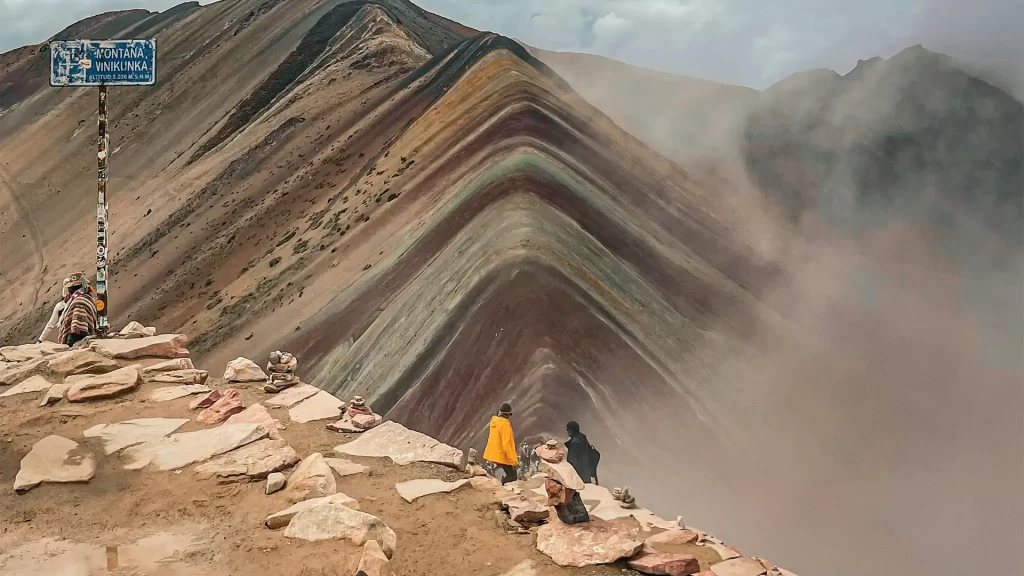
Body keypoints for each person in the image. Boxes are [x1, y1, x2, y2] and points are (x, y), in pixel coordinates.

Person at [57, 273, 98, 347]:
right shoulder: (89, 298)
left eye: (71, 288)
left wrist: (70, 341)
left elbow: (77, 326)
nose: (69, 290)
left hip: (77, 339)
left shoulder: (78, 301)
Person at [483, 402, 518, 484]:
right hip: (502, 458)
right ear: (508, 414)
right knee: (512, 478)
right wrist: (513, 462)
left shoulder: (494, 422)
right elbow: (507, 445)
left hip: (492, 456)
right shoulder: (505, 425)